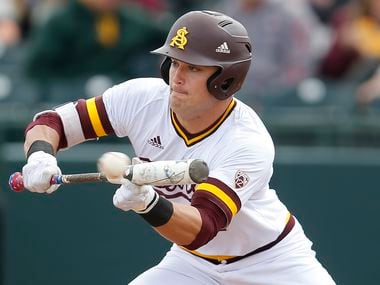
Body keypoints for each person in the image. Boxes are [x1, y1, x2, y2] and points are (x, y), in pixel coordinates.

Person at [20, 10, 336, 284]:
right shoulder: (141, 99)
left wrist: (146, 202)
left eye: (194, 68)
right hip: (193, 265)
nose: (177, 77)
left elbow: (203, 227)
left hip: (271, 262)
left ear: (225, 79)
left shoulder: (246, 140)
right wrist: (40, 157)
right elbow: (53, 123)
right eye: (174, 62)